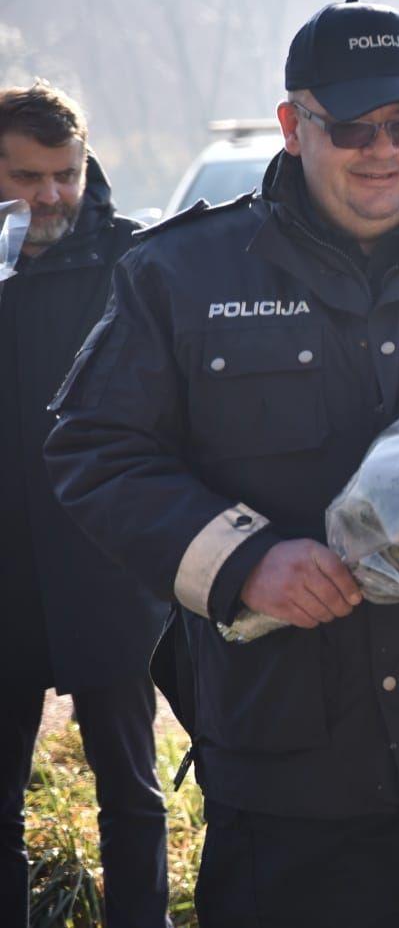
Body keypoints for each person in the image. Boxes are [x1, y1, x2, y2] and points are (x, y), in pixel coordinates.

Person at [44, 0, 399, 928]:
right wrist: (243, 561)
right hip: (295, 773)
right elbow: (95, 449)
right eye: (352, 126)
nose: (382, 150)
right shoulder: (183, 275)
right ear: (292, 124)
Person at [1, 83, 168, 927]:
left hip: (106, 570)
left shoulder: (128, 260)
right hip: (4, 579)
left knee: (131, 791)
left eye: (64, 175)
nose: (51, 198)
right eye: (28, 179)